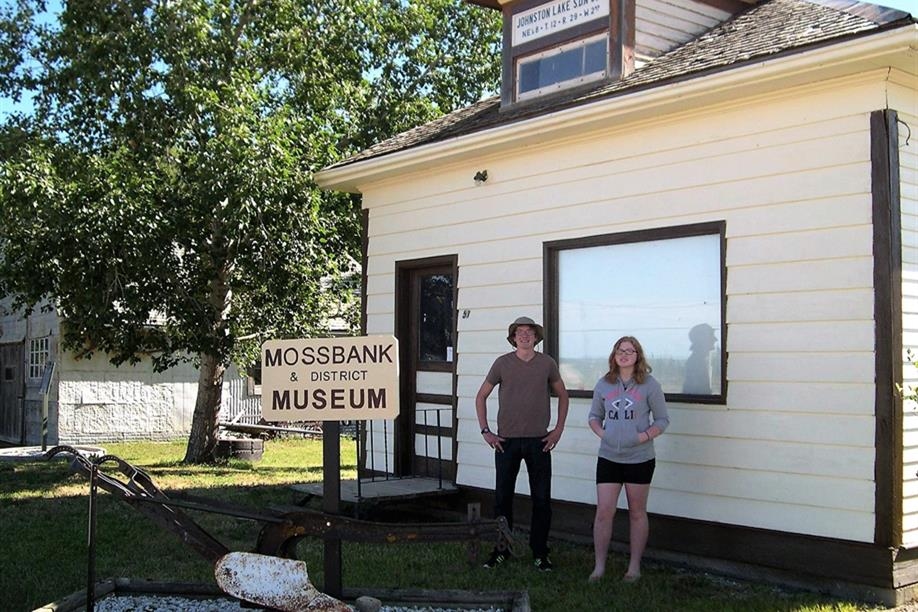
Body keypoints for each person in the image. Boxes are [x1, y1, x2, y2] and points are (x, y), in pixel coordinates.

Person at [475, 316, 569, 572]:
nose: (525, 335)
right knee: (502, 499)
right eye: (519, 332)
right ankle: (501, 550)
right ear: (513, 337)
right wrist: (486, 431)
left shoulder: (546, 363)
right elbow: (481, 396)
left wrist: (558, 430)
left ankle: (540, 553)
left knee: (541, 500)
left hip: (540, 441)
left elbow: (563, 395)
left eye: (529, 332)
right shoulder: (502, 363)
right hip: (506, 442)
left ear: (536, 337)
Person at [587, 336, 669, 583]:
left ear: (637, 356)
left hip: (640, 459)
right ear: (614, 356)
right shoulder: (604, 384)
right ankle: (599, 567)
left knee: (637, 513)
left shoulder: (650, 385)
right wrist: (605, 434)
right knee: (604, 512)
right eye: (620, 351)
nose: (624, 355)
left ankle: (634, 568)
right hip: (609, 457)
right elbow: (593, 416)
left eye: (630, 351)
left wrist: (643, 437)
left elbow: (662, 420)